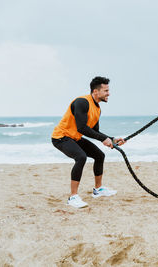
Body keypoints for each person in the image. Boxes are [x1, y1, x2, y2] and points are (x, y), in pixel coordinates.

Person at [51, 76, 126, 208]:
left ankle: (98, 190)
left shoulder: (97, 109)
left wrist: (112, 139)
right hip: (61, 137)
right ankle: (73, 197)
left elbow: (95, 131)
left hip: (75, 138)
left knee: (99, 156)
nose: (109, 93)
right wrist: (104, 139)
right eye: (106, 91)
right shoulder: (82, 102)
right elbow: (82, 127)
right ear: (96, 92)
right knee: (81, 157)